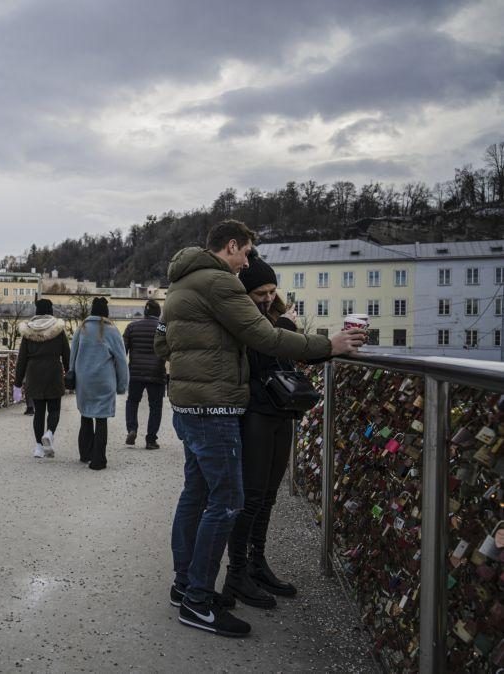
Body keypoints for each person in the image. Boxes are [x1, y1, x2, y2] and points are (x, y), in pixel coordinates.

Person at [155, 220, 367, 637]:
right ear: (231, 246)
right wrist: (330, 345)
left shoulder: (181, 284)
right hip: (215, 408)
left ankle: (185, 586)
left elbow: (163, 345)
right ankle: (197, 601)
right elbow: (265, 337)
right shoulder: (219, 282)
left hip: (187, 405)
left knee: (195, 495)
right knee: (228, 502)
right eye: (247, 252)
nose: (248, 260)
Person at [224, 253, 309, 608]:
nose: (269, 297)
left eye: (272, 291)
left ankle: (258, 562)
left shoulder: (275, 315)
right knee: (252, 497)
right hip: (256, 414)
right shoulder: (242, 319)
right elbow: (258, 357)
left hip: (280, 413)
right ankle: (237, 573)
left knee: (269, 495)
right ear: (246, 292)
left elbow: (286, 357)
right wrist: (286, 330)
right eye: (261, 291)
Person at [70, 297, 129, 470]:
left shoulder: (82, 329)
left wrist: (72, 375)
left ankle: (85, 453)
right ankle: (98, 459)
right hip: (104, 381)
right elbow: (121, 360)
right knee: (101, 420)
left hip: (84, 381)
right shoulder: (111, 331)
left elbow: (73, 355)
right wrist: (122, 385)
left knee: (86, 416)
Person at [14, 298, 70, 458]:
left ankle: (38, 447)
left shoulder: (28, 332)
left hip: (34, 373)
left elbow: (22, 359)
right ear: (51, 310)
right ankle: (50, 433)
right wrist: (70, 374)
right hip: (53, 372)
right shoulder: (58, 330)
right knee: (54, 409)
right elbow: (67, 355)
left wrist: (18, 382)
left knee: (39, 412)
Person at [123, 299, 168, 449]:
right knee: (155, 406)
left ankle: (132, 429)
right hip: (157, 372)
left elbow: (123, 350)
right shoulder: (163, 328)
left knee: (132, 401)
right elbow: (168, 350)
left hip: (136, 372)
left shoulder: (132, 327)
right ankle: (150, 439)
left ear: (145, 312)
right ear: (158, 313)